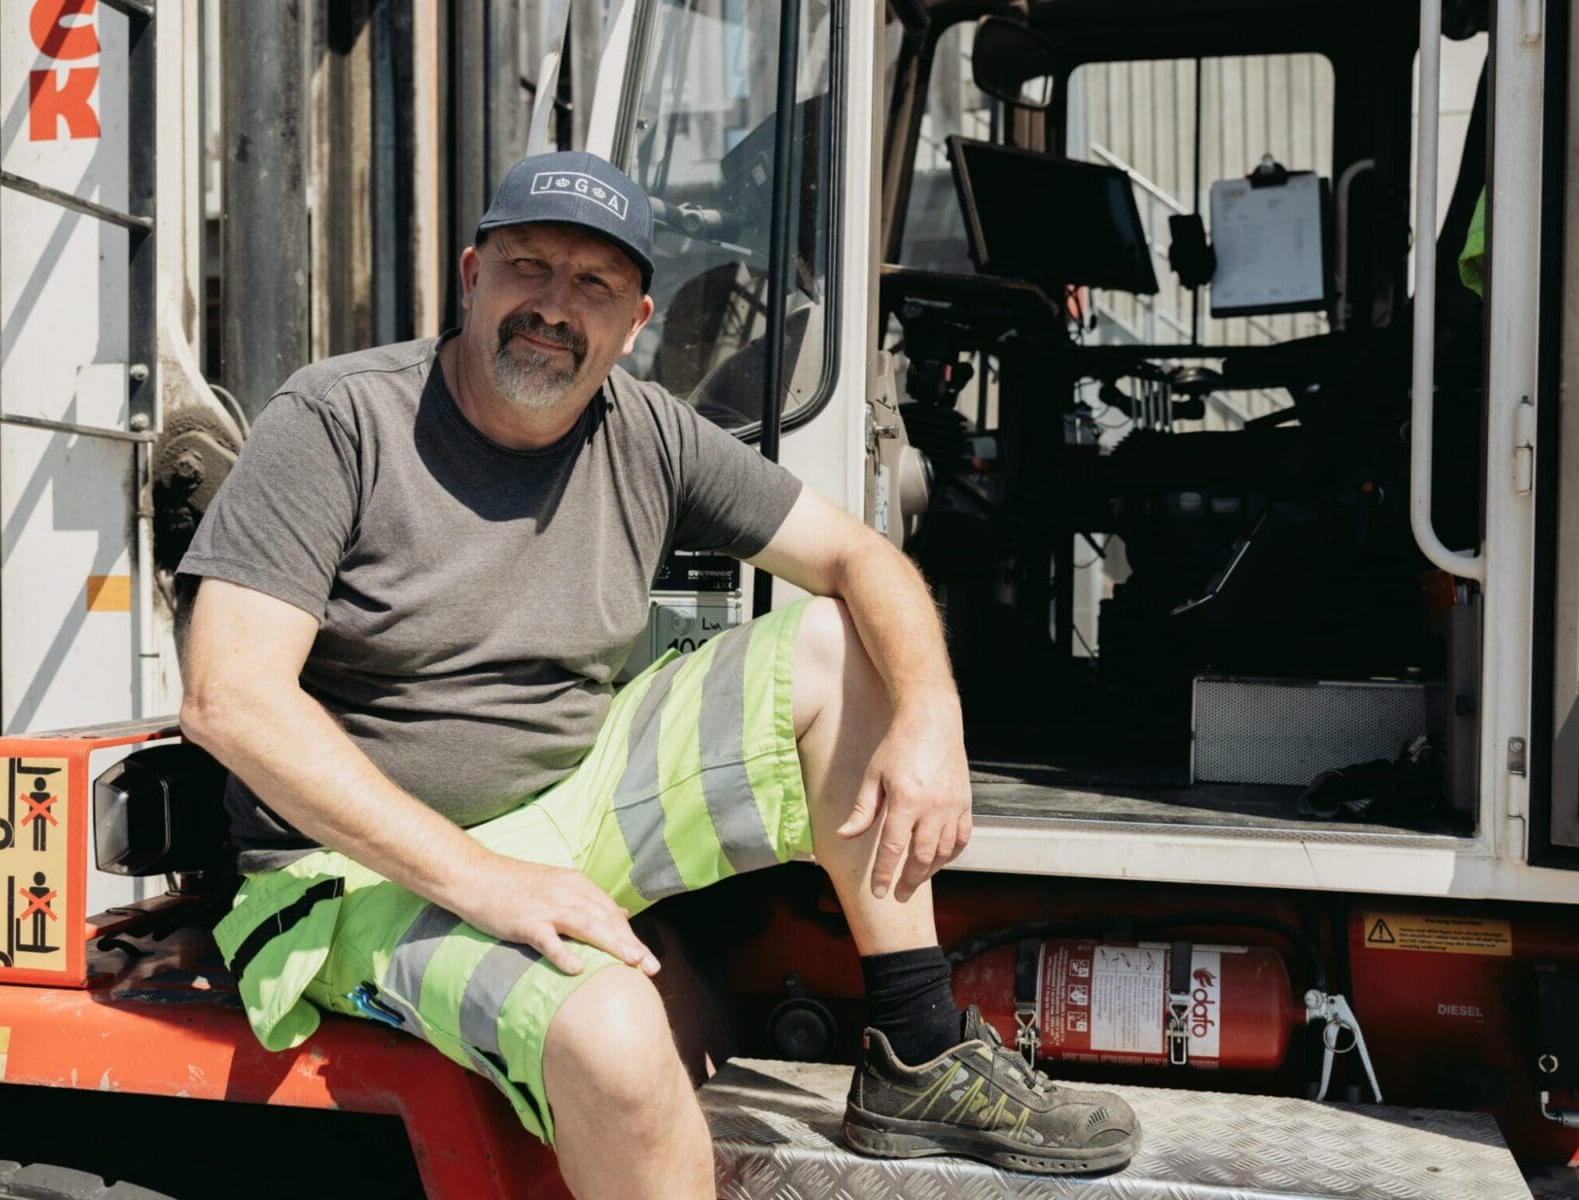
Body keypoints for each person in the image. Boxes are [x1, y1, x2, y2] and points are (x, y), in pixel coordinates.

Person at [177, 150, 1139, 1199]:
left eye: (591, 286)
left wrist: (930, 715)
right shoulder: (337, 419)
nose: (552, 307)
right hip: (348, 876)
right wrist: (485, 882)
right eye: (528, 267)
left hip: (561, 804)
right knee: (620, 1043)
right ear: (470, 276)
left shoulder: (643, 429)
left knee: (836, 639)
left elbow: (863, 558)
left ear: (634, 321)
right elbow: (230, 697)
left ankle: (914, 1050)